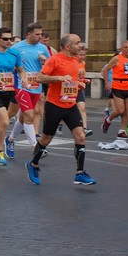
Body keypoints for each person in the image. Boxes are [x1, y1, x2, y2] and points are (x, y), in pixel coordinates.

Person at [25, 34, 96, 186]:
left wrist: (81, 83)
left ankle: (80, 173)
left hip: (70, 105)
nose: (80, 46)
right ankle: (33, 164)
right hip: (54, 105)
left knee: (81, 137)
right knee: (46, 139)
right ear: (67, 47)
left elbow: (71, 80)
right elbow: (40, 78)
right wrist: (58, 78)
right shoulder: (54, 60)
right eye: (77, 43)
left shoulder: (77, 60)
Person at [5, 23, 48, 158]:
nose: (40, 37)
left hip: (36, 86)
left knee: (24, 117)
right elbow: (8, 63)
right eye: (37, 34)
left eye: (41, 34)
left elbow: (51, 66)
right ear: (28, 34)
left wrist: (45, 61)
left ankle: (10, 140)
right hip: (21, 85)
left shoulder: (42, 48)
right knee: (30, 115)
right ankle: (35, 146)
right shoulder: (17, 47)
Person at [101, 40, 128, 140]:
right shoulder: (116, 59)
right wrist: (107, 82)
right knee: (120, 110)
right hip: (118, 86)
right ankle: (108, 119)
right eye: (126, 47)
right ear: (121, 49)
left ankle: (122, 131)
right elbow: (105, 70)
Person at [0, 27, 18, 166]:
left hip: (9, 90)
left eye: (10, 39)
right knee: (5, 122)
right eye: (5, 39)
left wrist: (24, 78)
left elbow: (21, 70)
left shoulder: (14, 54)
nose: (9, 41)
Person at [76, 45, 92, 136]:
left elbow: (81, 77)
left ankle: (84, 128)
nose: (82, 57)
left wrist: (85, 80)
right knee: (64, 110)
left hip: (79, 89)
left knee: (82, 108)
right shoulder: (72, 63)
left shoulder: (83, 63)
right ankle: (59, 124)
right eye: (80, 55)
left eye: (83, 55)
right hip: (70, 90)